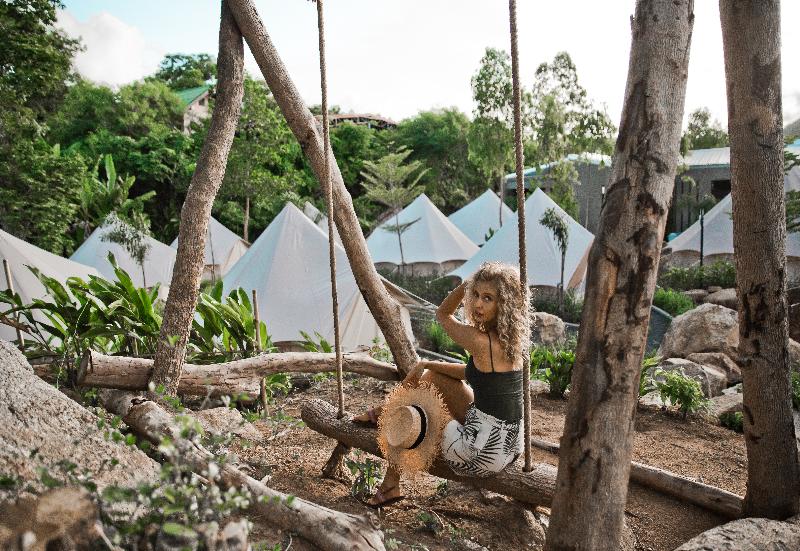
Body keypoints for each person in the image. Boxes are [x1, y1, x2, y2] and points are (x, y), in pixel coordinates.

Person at [354, 261, 530, 507]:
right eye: (476, 295)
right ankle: (386, 414)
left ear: (505, 304)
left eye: (488, 298)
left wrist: (465, 284)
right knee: (432, 379)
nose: (478, 304)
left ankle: (390, 481)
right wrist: (430, 364)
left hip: (478, 453)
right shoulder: (511, 341)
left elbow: (442, 314)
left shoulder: (480, 341)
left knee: (416, 410)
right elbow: (474, 375)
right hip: (508, 446)